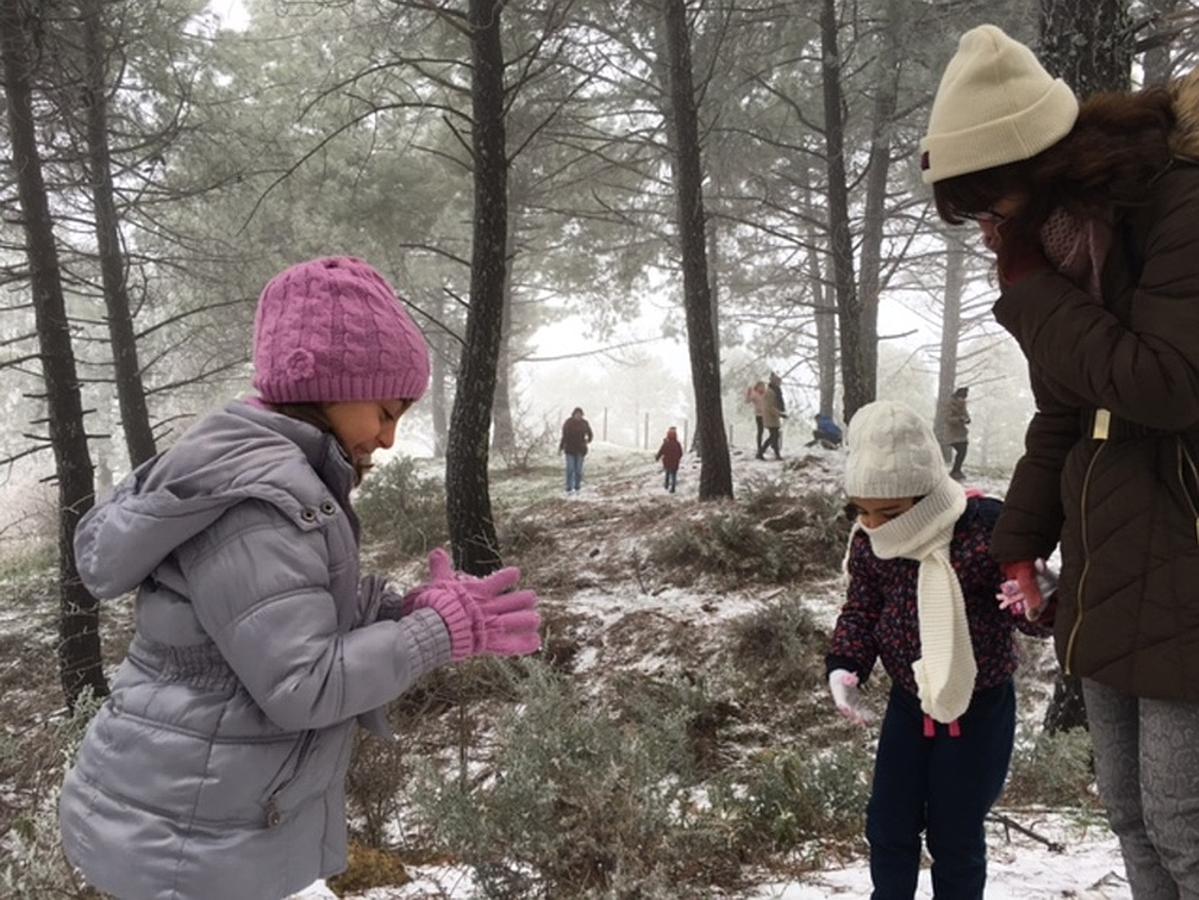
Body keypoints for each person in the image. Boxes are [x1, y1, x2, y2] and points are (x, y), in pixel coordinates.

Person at [57, 257, 542, 900]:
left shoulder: (275, 474)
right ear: (328, 384)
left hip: (192, 822)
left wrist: (404, 612)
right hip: (187, 846)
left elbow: (276, 629)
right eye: (386, 410)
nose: (390, 438)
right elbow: (301, 683)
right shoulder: (258, 503)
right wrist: (434, 635)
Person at [923, 23, 1199, 896]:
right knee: (1129, 815)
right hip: (1113, 555)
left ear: (1041, 175)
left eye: (991, 211)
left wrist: (1031, 287)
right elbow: (1065, 413)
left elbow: (1165, 386)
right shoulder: (1072, 247)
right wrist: (1020, 540)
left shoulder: (1177, 205)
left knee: (1183, 824)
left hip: (1185, 550)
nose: (990, 237)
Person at [827, 400, 1051, 900]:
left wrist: (1033, 602)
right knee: (888, 824)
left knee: (955, 833)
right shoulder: (871, 541)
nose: (874, 523)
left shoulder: (986, 527)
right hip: (909, 703)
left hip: (979, 708)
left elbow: (1037, 618)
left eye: (889, 512)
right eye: (861, 510)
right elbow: (863, 609)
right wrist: (845, 666)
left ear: (925, 494)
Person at [559, 406, 593, 493]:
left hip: (580, 450)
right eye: (577, 414)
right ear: (573, 415)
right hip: (570, 449)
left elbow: (590, 433)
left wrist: (588, 441)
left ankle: (577, 486)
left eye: (580, 415)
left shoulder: (584, 423)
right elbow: (564, 436)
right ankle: (569, 486)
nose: (578, 416)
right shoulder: (568, 423)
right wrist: (561, 447)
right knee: (570, 469)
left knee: (578, 470)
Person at [942, 387, 971, 481]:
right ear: (957, 396)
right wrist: (959, 419)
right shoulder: (950, 404)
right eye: (961, 398)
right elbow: (947, 418)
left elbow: (966, 415)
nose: (963, 400)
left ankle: (956, 470)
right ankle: (955, 471)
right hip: (952, 433)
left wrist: (967, 420)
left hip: (961, 432)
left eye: (964, 398)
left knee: (963, 451)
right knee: (961, 450)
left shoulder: (963, 405)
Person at [655, 426, 684, 493]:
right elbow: (680, 453)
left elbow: (661, 451)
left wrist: (657, 457)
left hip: (667, 462)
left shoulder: (666, 443)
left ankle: (666, 485)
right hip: (675, 462)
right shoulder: (677, 444)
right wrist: (677, 458)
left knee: (667, 474)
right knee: (674, 475)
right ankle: (673, 488)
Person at [746, 381, 768, 455]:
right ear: (757, 387)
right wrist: (748, 393)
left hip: (766, 415)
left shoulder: (765, 393)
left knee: (773, 431)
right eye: (761, 386)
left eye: (763, 386)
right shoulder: (755, 394)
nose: (762, 388)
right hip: (759, 415)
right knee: (760, 431)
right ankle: (759, 448)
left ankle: (766, 447)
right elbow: (747, 401)